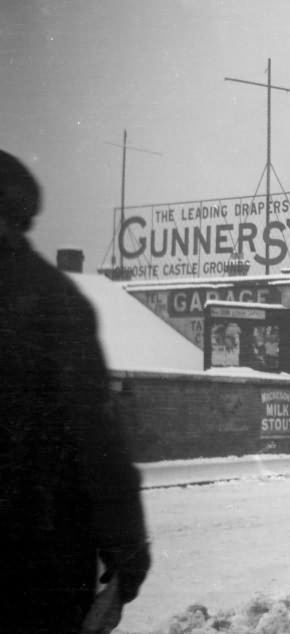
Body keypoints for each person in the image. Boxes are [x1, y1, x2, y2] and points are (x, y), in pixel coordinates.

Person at [0, 151, 151, 632]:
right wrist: (127, 545)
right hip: (35, 558)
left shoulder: (49, 300)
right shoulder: (51, 301)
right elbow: (95, 436)